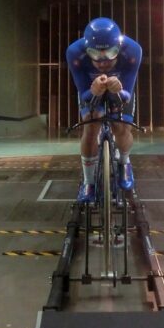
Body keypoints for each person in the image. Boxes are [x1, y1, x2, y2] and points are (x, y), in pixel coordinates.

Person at [67, 17, 142, 203]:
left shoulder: (133, 50)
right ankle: (89, 182)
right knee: (91, 128)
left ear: (119, 47)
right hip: (91, 89)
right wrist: (93, 91)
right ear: (86, 50)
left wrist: (119, 91)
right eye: (95, 54)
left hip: (120, 89)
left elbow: (127, 95)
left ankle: (124, 161)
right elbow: (83, 92)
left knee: (121, 127)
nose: (103, 62)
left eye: (110, 53)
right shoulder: (74, 52)